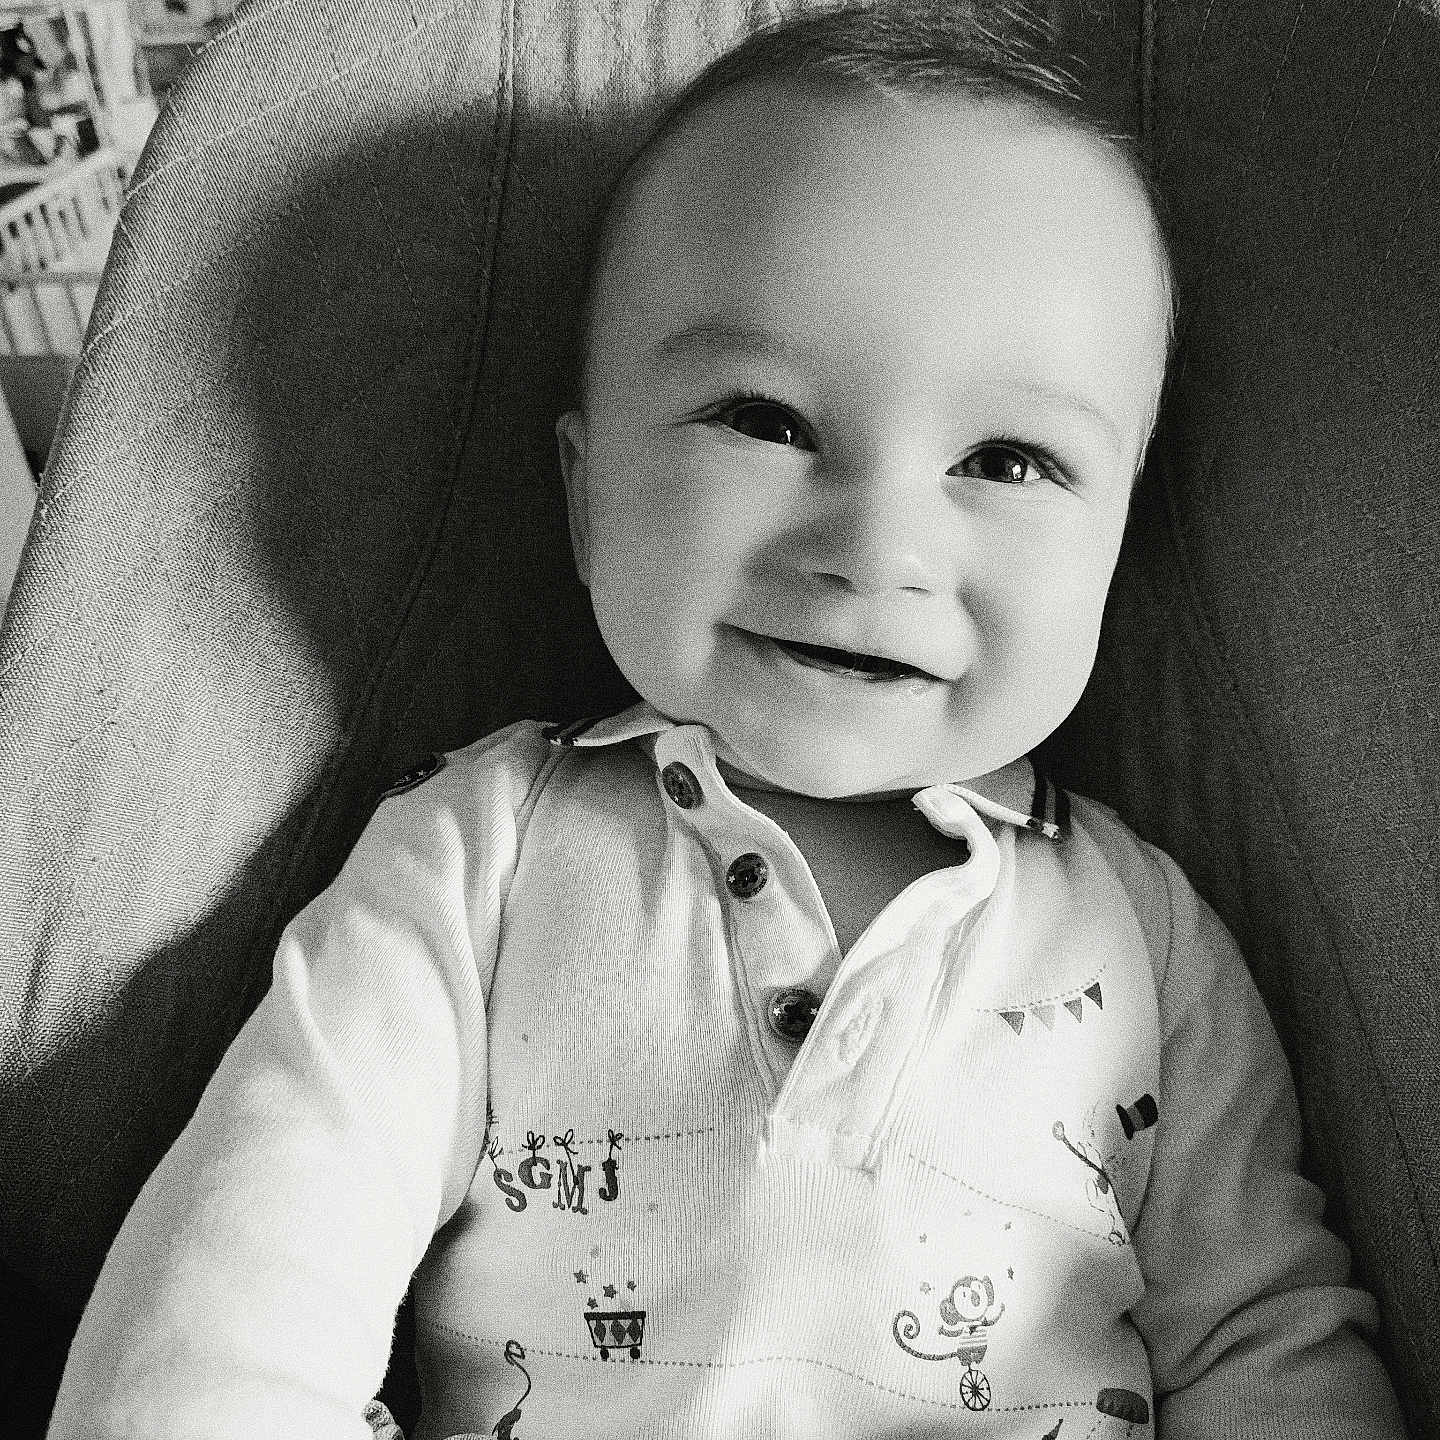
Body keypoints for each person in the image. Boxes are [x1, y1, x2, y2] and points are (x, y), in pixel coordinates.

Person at [48, 4, 1408, 1437]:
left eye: (1008, 460)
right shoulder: (479, 860)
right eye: (766, 420)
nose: (877, 550)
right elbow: (243, 1286)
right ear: (586, 496)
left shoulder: (1149, 934)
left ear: (1120, 546)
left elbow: (1265, 1346)